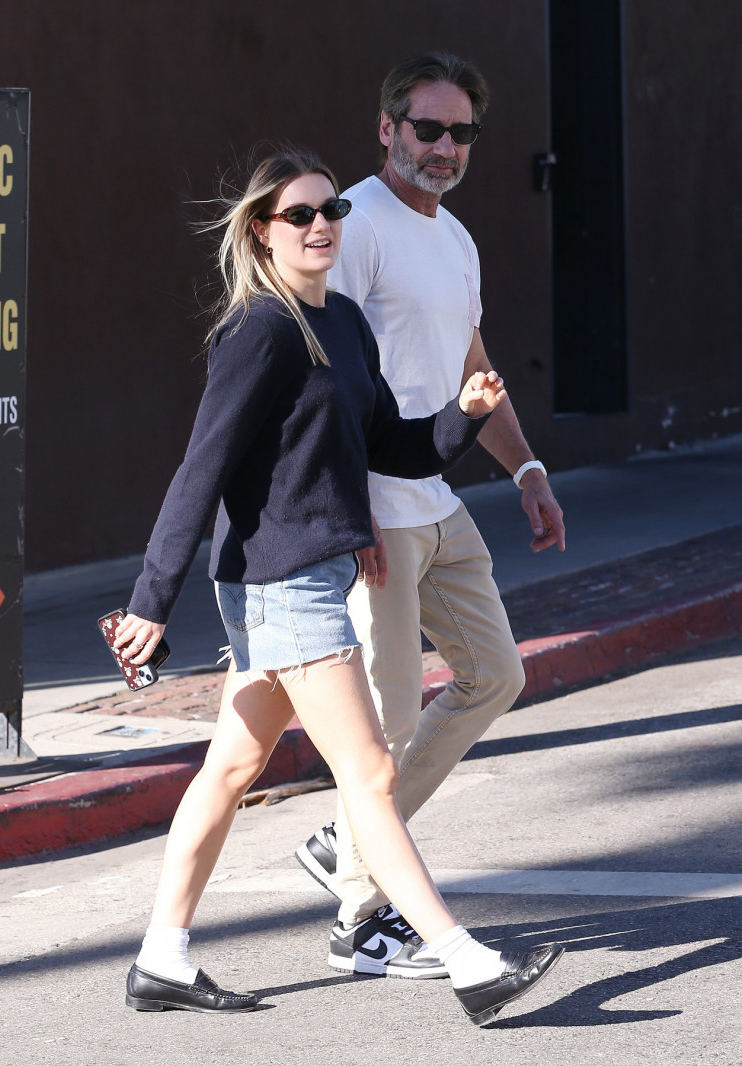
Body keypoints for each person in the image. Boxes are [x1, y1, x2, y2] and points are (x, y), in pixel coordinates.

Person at [115, 148, 564, 1027]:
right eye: (300, 216)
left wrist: (463, 418)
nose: (322, 226)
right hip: (282, 587)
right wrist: (149, 597)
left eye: (332, 213)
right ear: (261, 231)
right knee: (368, 775)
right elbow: (200, 469)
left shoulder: (345, 323)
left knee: (231, 768)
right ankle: (469, 963)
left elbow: (386, 448)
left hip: (304, 574)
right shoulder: (260, 330)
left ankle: (160, 959)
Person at [295, 52, 567, 978]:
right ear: (387, 129)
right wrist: (350, 512)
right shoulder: (355, 225)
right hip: (376, 505)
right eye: (427, 128)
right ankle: (361, 922)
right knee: (388, 718)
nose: (444, 147)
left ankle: (347, 842)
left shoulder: (454, 238)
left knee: (494, 675)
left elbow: (469, 359)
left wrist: (524, 464)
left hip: (437, 497)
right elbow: (327, 377)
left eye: (461, 133)